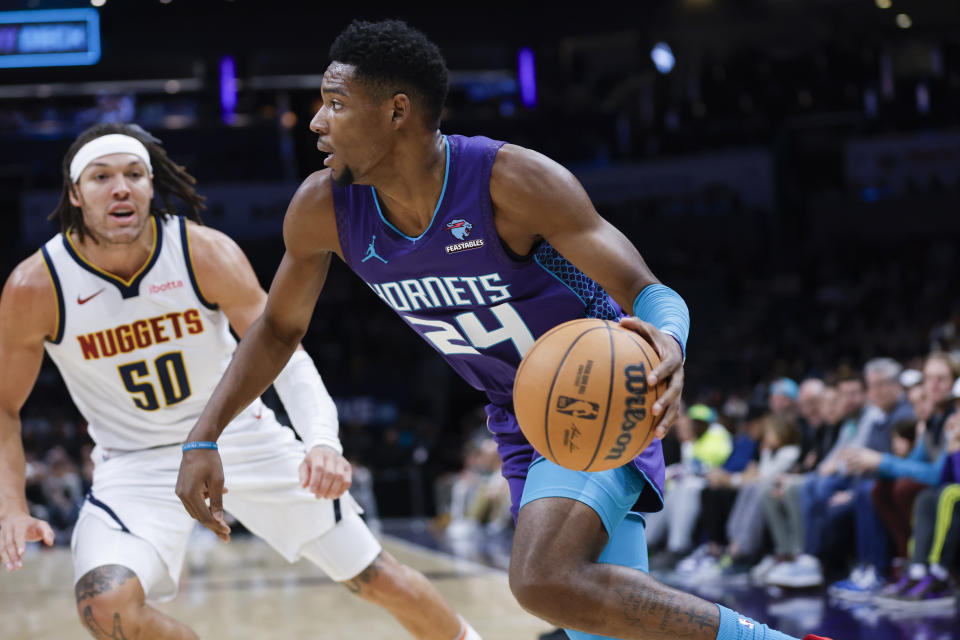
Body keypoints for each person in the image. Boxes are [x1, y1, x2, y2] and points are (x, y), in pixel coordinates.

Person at [175, 19, 833, 640]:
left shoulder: (510, 182)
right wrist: (202, 438)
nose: (316, 122)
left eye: (335, 104)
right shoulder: (324, 208)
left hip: (600, 391)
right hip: (521, 419)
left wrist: (670, 344)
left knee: (543, 578)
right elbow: (276, 331)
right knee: (595, 616)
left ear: (396, 111)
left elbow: (648, 291)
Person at [0, 123, 480, 640]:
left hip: (239, 438)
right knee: (104, 604)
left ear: (150, 185)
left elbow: (285, 352)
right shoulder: (37, 285)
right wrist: (11, 506)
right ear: (75, 193)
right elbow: (5, 405)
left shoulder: (201, 253)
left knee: (377, 577)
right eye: (101, 177)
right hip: (135, 462)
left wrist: (321, 442)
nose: (121, 187)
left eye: (134, 174)